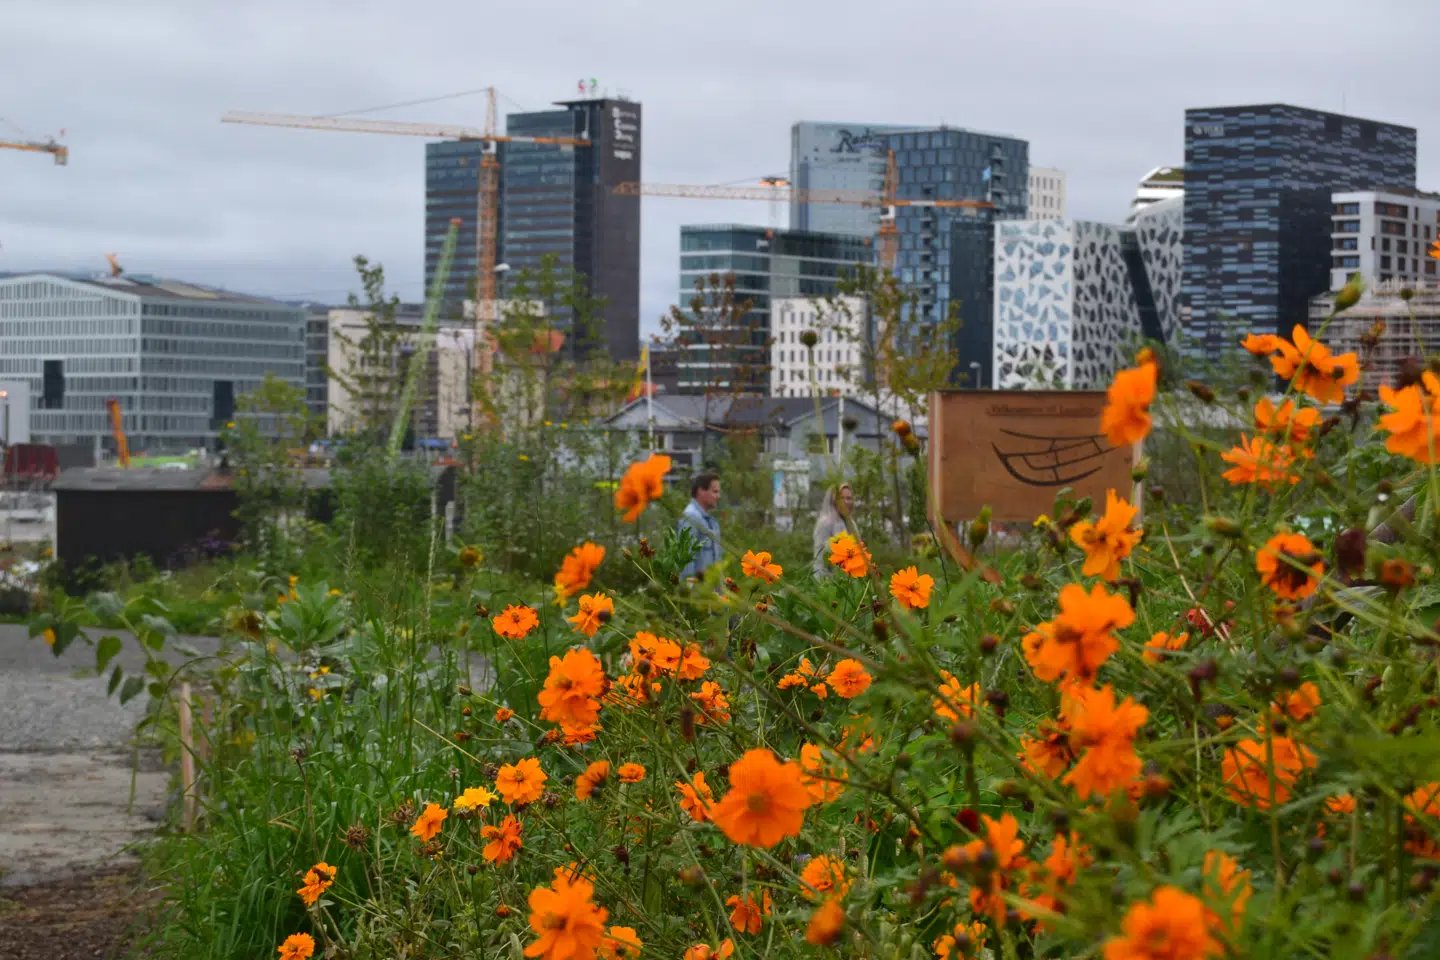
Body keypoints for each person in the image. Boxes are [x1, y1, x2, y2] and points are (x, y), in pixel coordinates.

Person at [679, 472, 722, 579]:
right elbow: (686, 560)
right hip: (699, 592)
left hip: (712, 592)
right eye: (715, 492)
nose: (718, 496)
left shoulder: (711, 521)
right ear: (701, 491)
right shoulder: (691, 517)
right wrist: (689, 591)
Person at [812, 483, 854, 576]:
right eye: (842, 498)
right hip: (826, 581)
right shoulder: (825, 523)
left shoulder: (850, 524)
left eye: (849, 498)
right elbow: (821, 558)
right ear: (833, 500)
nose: (846, 502)